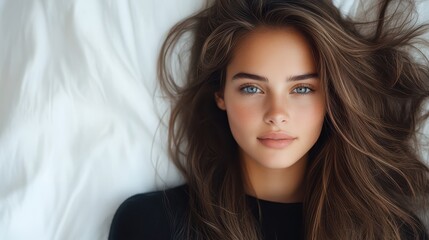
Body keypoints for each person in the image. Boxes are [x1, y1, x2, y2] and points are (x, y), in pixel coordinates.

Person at [108, 0, 429, 239]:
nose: (277, 114)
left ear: (332, 96)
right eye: (252, 88)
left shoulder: (390, 230)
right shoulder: (151, 224)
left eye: (302, 88)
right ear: (220, 94)